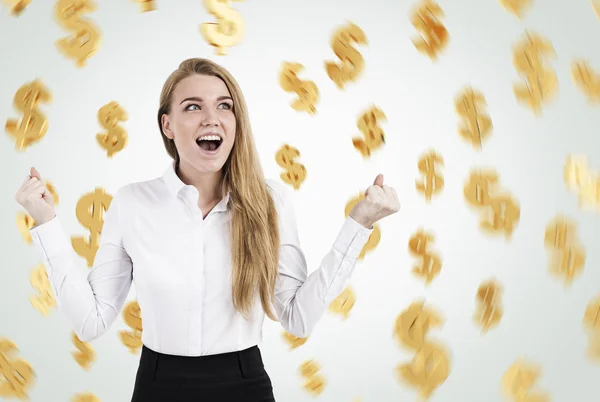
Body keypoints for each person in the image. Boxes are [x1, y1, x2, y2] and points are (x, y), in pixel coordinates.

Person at [14, 57, 400, 402]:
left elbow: (297, 317)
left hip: (244, 385)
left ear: (236, 122)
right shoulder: (132, 203)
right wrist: (46, 223)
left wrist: (359, 224)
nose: (211, 119)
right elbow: (91, 321)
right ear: (167, 125)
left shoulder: (270, 201)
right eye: (193, 107)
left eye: (224, 106)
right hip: (157, 385)